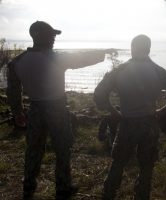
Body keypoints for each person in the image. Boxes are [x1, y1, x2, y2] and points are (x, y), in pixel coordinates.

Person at [6, 21, 117, 200]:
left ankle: (28, 188)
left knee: (33, 150)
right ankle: (63, 188)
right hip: (56, 109)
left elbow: (13, 91)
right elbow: (82, 58)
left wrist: (17, 111)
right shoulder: (55, 58)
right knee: (62, 149)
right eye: (52, 35)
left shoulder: (17, 62)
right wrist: (103, 52)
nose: (54, 38)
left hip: (34, 109)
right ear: (40, 36)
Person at [94, 34, 166, 200]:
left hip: (127, 123)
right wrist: (163, 111)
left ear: (132, 48)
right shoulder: (159, 71)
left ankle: (108, 195)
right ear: (149, 49)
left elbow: (99, 94)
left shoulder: (119, 70)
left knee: (118, 163)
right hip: (150, 124)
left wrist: (113, 111)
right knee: (146, 167)